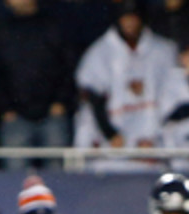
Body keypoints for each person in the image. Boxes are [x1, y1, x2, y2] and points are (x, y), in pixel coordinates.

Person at [73, 0, 178, 150]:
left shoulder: (163, 50)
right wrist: (110, 133)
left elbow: (175, 96)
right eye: (125, 18)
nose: (130, 23)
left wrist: (160, 134)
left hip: (155, 142)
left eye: (134, 18)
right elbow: (92, 98)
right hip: (115, 144)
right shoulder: (100, 52)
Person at [0, 0, 77, 165]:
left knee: (57, 176)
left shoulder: (53, 26)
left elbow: (69, 67)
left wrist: (61, 101)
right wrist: (5, 108)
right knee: (16, 177)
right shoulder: (1, 31)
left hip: (52, 114)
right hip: (16, 117)